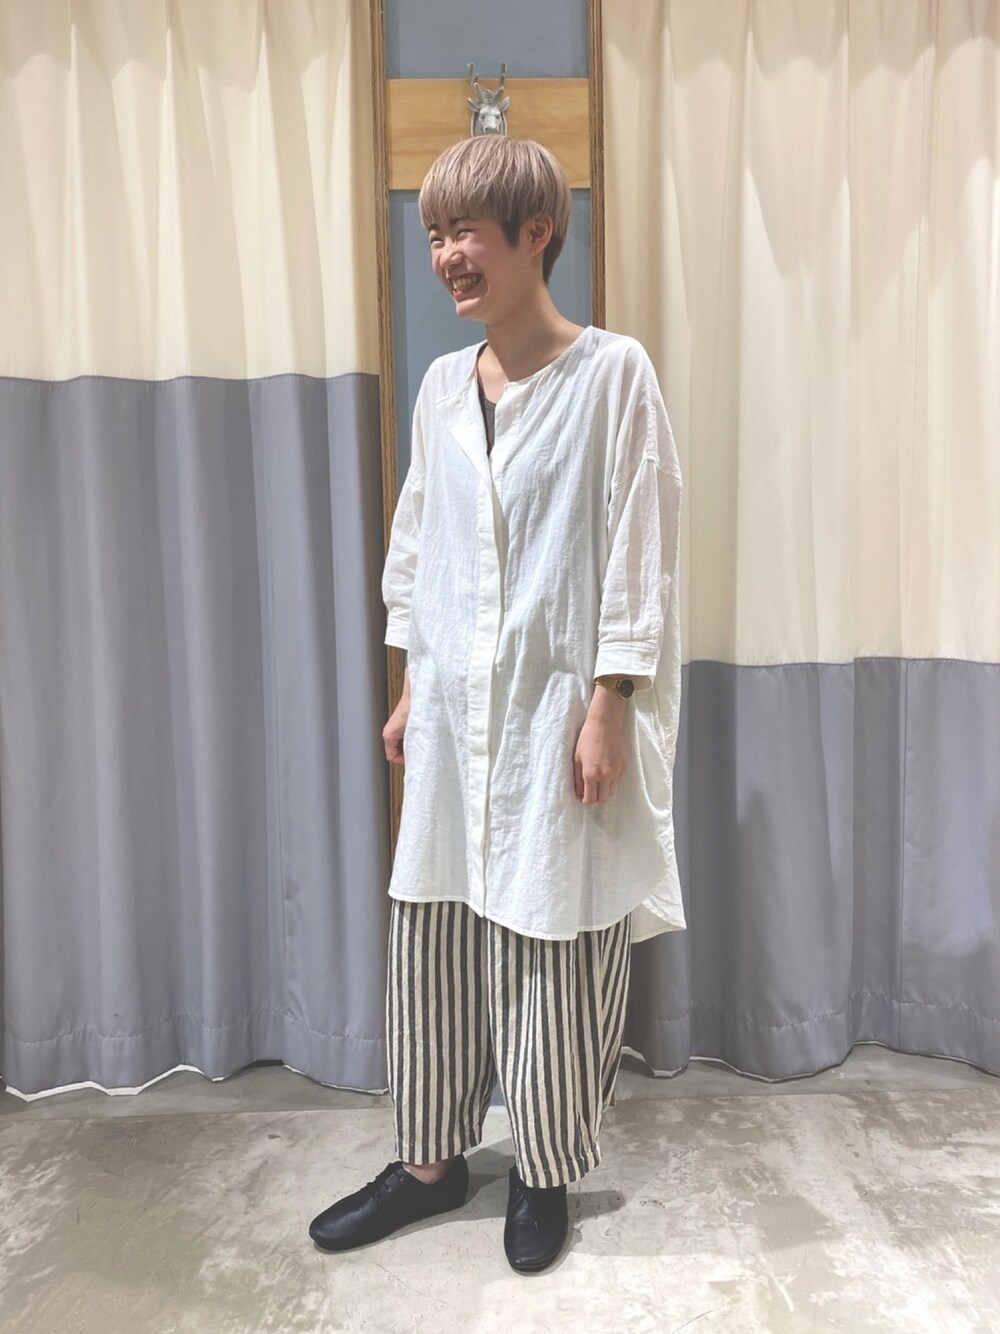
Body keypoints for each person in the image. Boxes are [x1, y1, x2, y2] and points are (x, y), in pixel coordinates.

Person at [309, 134, 684, 1274]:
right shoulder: (441, 385)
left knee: (552, 931)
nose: (446, 256)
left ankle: (542, 1169)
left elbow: (640, 544)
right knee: (434, 921)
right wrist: (408, 684)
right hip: (451, 706)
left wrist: (609, 702)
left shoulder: (612, 375)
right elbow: (420, 540)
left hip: (556, 710)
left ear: (536, 233)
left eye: (465, 231)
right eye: (433, 234)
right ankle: (428, 1163)